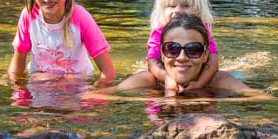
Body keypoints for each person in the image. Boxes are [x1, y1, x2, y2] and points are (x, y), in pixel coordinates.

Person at [8, 0, 115, 89]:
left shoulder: (81, 18)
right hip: (41, 84)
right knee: (43, 78)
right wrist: (19, 94)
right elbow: (17, 66)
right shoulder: (28, 16)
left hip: (76, 85)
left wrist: (95, 95)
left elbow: (108, 72)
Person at [110, 12, 257, 96]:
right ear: (161, 53)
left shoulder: (217, 80)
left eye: (193, 49)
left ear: (205, 55)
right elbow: (98, 96)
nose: (181, 57)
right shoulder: (148, 81)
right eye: (172, 48)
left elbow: (259, 97)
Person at [144, 0, 219, 92]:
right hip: (168, 68)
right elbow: (152, 61)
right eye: (171, 6)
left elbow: (213, 60)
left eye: (186, 6)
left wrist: (199, 84)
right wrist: (166, 78)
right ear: (162, 9)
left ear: (199, 10)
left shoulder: (202, 29)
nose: (177, 11)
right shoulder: (159, 30)